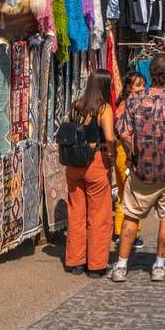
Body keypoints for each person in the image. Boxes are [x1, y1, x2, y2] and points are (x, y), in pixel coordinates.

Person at [111, 56, 165, 282]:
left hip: (143, 169)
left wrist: (132, 155)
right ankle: (159, 265)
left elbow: (123, 132)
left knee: (131, 215)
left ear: (151, 73)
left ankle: (121, 265)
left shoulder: (135, 100)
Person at [63, 69, 116, 276]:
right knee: (99, 214)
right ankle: (96, 264)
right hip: (95, 162)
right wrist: (111, 156)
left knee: (76, 212)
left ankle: (75, 261)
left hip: (73, 163)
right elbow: (110, 137)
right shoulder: (104, 109)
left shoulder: (76, 105)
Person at [112, 69, 146, 253]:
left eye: (143, 84)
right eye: (138, 85)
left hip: (124, 151)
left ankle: (120, 230)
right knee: (132, 194)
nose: (142, 89)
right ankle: (130, 232)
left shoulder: (127, 104)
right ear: (128, 87)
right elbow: (126, 135)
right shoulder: (126, 106)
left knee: (124, 193)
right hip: (126, 152)